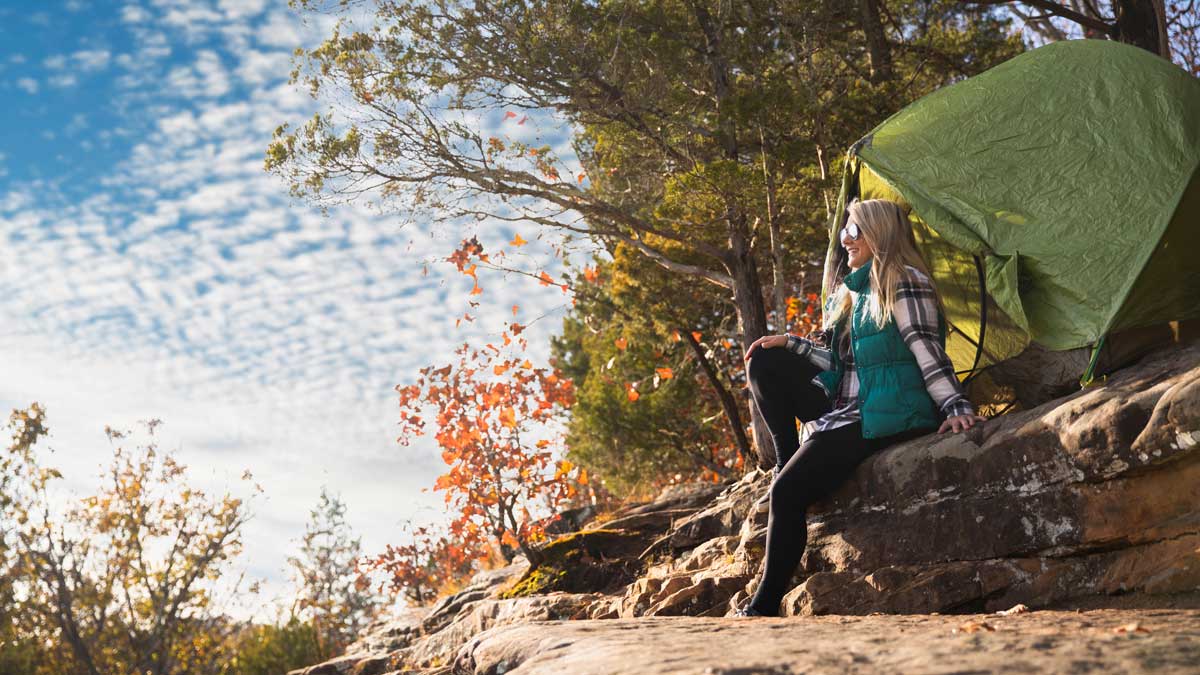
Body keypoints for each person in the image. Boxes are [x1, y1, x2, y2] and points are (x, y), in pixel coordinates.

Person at [734, 198, 986, 617]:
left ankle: (762, 606)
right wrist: (791, 344)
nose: (845, 239)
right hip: (850, 405)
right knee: (764, 359)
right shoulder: (851, 292)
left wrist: (954, 405)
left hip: (887, 413)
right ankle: (785, 458)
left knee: (788, 492)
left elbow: (928, 350)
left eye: (854, 231)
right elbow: (839, 363)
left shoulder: (904, 282)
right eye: (844, 231)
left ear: (879, 235)